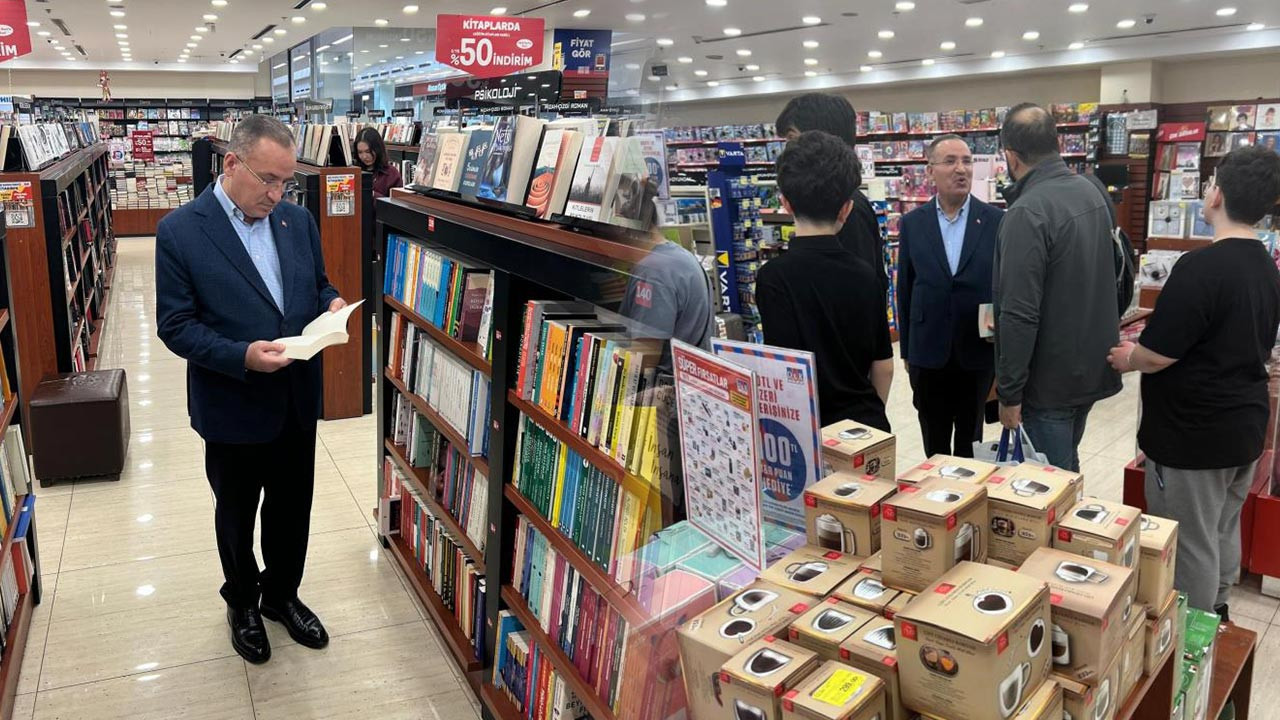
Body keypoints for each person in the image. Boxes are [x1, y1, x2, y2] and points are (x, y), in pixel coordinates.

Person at [156, 115, 348, 664]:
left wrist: (331, 302)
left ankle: (281, 594)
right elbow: (175, 325)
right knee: (237, 512)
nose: (277, 194)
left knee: (292, 507)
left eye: (286, 181)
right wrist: (241, 356)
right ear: (231, 163)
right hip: (233, 403)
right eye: (267, 179)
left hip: (295, 398)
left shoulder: (297, 220)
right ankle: (241, 600)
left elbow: (316, 284)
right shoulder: (180, 231)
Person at [1107, 146, 1280, 617]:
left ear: (1217, 195)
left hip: (1193, 435)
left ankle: (1189, 632)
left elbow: (1159, 353)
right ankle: (1218, 609)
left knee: (1188, 541)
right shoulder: (1265, 265)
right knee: (1222, 526)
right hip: (1243, 426)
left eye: (1208, 185)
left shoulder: (1201, 267)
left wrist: (1128, 358)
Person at [994, 103, 1121, 471]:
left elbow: (1019, 313)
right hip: (1090, 365)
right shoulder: (1092, 192)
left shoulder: (1027, 212)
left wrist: (1009, 393)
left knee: (1049, 485)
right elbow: (1118, 274)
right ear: (1057, 142)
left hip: (1048, 380)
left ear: (1010, 156)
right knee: (1067, 466)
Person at [757, 130, 894, 431]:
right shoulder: (865, 275)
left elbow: (782, 370)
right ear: (846, 208)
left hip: (807, 429)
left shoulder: (773, 277)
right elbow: (883, 366)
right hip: (865, 425)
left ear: (786, 203)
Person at [897, 134, 1004, 456]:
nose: (961, 169)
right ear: (930, 171)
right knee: (934, 437)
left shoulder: (996, 221)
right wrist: (907, 350)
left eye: (967, 161)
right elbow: (906, 288)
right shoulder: (913, 224)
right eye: (950, 161)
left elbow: (1004, 286)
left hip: (977, 351)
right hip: (928, 350)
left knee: (971, 440)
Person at [775, 93, 888, 298]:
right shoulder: (831, 198)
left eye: (792, 138)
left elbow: (859, 293)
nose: (788, 150)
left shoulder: (848, 207)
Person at [354, 126, 402, 198]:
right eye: (360, 152)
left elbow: (397, 202)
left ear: (378, 149)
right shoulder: (354, 171)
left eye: (368, 151)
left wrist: (371, 194)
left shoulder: (392, 173)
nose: (364, 157)